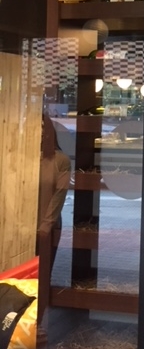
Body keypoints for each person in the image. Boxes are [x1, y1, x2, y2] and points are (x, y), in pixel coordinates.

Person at [37, 114, 72, 272]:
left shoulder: (60, 160)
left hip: (46, 226)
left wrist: (46, 226)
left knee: (42, 274)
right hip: (19, 227)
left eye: (42, 128)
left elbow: (60, 193)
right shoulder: (17, 159)